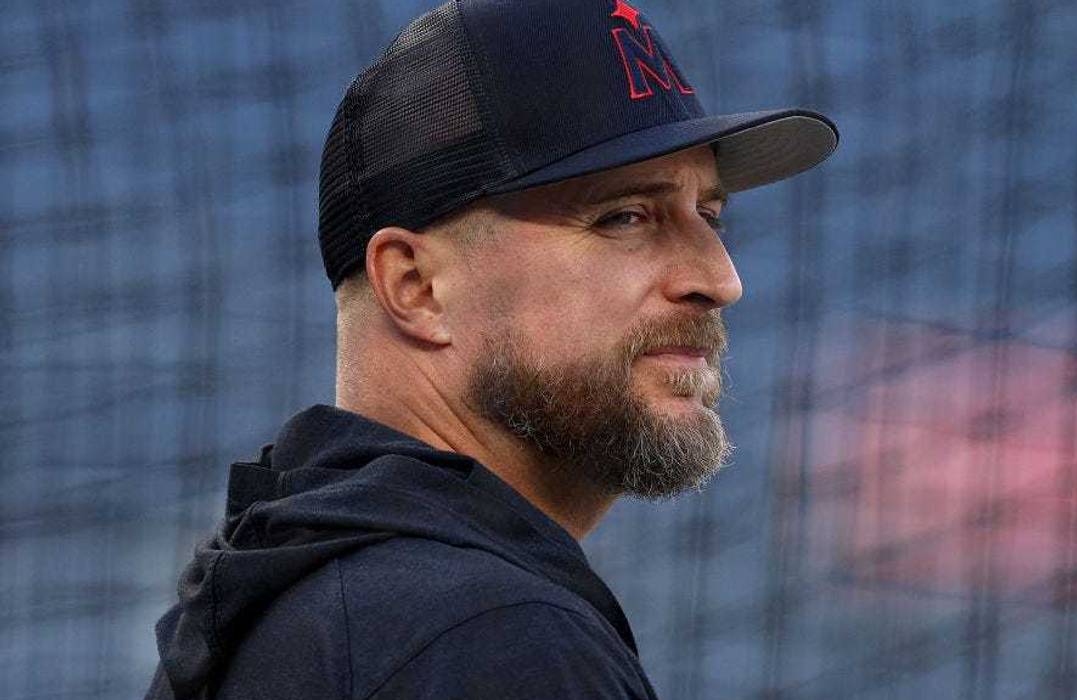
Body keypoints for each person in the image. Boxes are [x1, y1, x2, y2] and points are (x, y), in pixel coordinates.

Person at [145, 0, 838, 697]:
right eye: (624, 217)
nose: (719, 280)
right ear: (416, 286)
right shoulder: (494, 639)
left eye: (709, 216)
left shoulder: (293, 592)